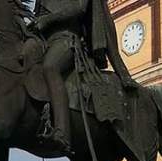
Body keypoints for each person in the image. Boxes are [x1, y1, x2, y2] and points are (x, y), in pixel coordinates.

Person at [32, 0, 137, 153]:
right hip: (42, 42)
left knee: (50, 67)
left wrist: (47, 20)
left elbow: (78, 8)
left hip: (66, 40)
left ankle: (62, 133)